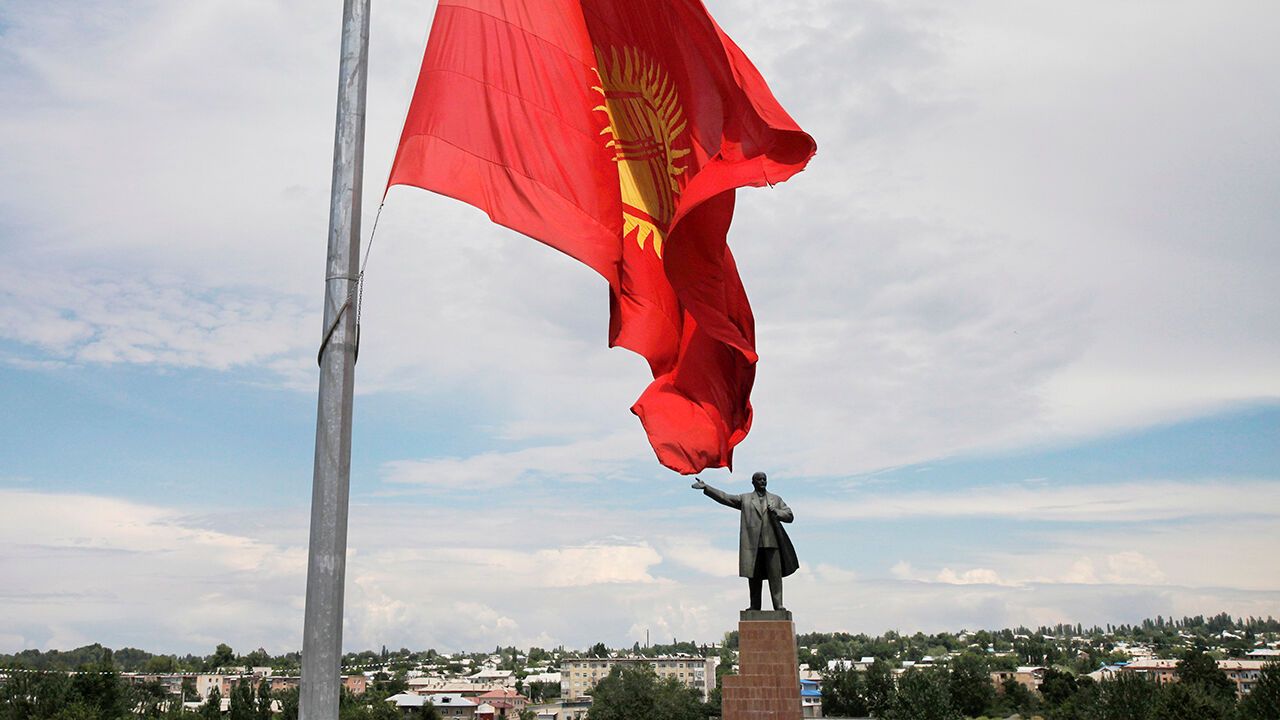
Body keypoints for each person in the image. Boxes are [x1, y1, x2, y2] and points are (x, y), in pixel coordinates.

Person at [692, 471, 798, 611]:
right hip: (752, 545)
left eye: (764, 479)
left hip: (772, 544)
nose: (762, 482)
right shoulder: (745, 499)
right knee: (754, 576)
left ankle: (778, 605)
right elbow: (726, 498)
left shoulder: (775, 499)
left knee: (775, 576)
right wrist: (707, 488)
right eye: (759, 480)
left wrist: (777, 512)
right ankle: (755, 605)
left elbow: (789, 515)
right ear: (753, 482)